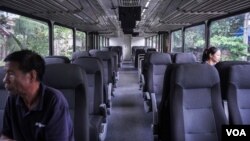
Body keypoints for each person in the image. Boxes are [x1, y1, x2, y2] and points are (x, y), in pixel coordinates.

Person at [0, 50, 74, 141]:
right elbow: (5, 135)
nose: (4, 80)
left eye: (11, 74)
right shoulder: (12, 99)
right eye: (5, 73)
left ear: (32, 76)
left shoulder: (54, 101)